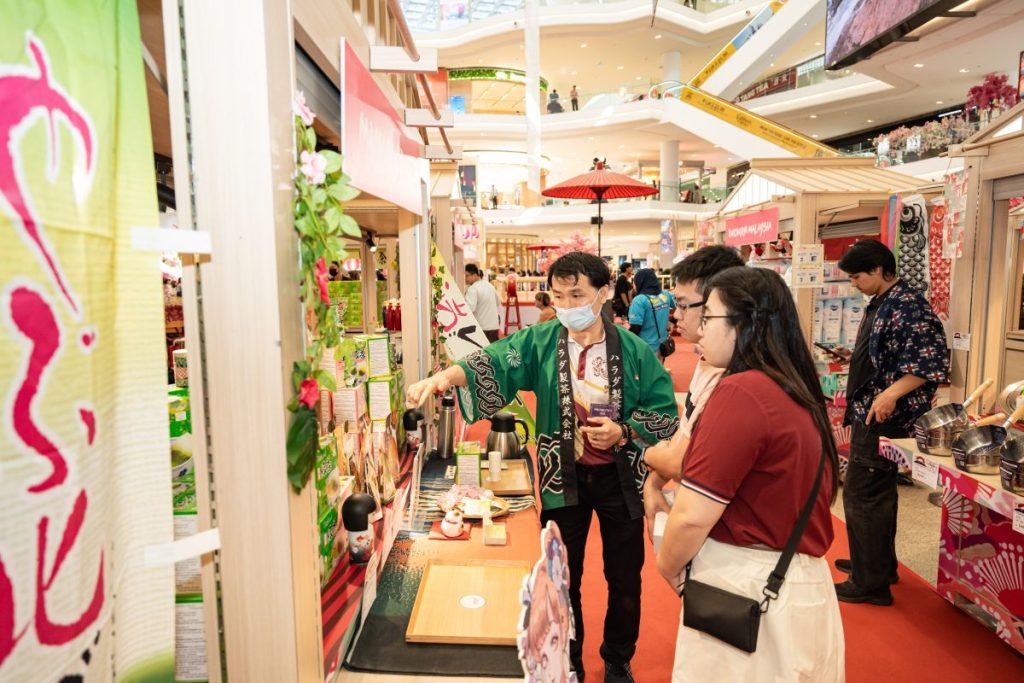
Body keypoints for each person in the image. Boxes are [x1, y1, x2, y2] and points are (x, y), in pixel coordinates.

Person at [408, 252, 679, 683]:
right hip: (561, 476)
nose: (566, 305)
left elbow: (664, 410)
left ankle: (617, 657)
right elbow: (495, 359)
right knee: (561, 577)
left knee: (625, 578)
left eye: (577, 295)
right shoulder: (541, 341)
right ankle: (568, 658)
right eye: (558, 296)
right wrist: (443, 377)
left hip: (621, 477)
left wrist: (624, 430)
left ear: (604, 293)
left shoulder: (633, 350)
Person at [656, 266, 845, 681]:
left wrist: (667, 566)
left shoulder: (742, 391)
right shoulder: (793, 387)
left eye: (709, 317)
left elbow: (691, 516)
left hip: (747, 586)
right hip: (797, 586)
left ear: (746, 323)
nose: (699, 329)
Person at [835, 239, 948, 606]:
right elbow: (890, 355)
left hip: (883, 414)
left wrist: (889, 395)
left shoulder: (908, 305)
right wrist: (854, 357)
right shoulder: (884, 301)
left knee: (863, 493)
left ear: (879, 271)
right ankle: (877, 565)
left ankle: (870, 582)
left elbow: (930, 364)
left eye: (857, 276)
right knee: (876, 491)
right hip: (871, 407)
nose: (854, 283)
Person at [642, 246, 745, 494]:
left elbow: (680, 463)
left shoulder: (736, 381)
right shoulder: (709, 359)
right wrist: (655, 480)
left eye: (683, 305)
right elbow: (685, 432)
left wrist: (649, 454)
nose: (676, 315)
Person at [627, 268, 675, 360]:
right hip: (662, 345)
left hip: (645, 347)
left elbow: (635, 328)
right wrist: (673, 321)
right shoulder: (665, 294)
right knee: (659, 368)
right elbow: (682, 304)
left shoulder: (639, 300)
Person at [464, 263, 501, 343]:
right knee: (492, 350)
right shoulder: (490, 286)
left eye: (467, 276)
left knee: (481, 350)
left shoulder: (473, 289)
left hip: (481, 329)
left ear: (474, 275)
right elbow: (498, 302)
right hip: (494, 327)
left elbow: (470, 309)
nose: (465, 279)